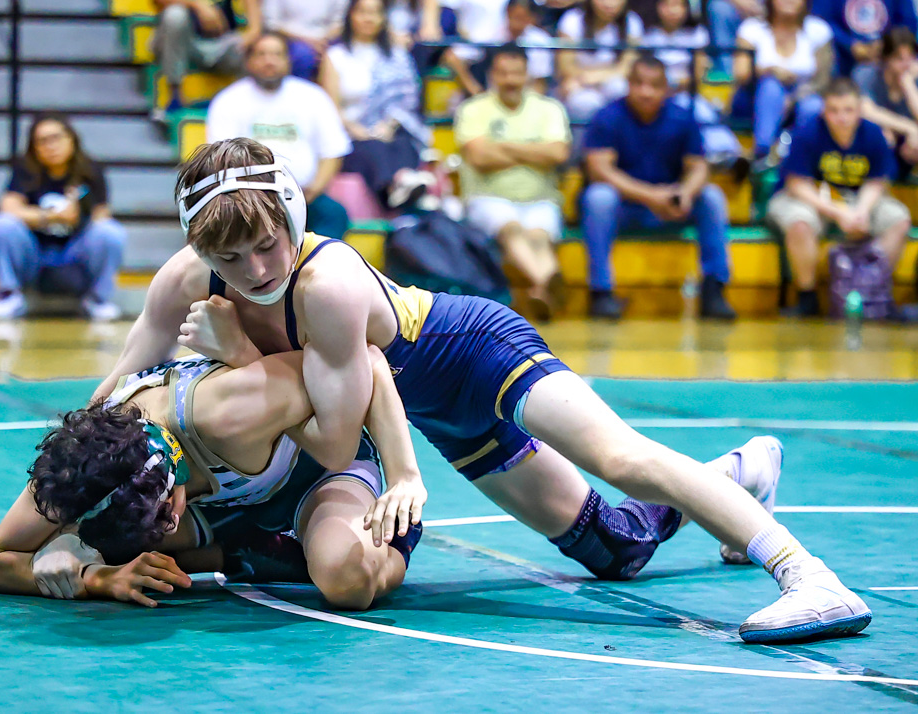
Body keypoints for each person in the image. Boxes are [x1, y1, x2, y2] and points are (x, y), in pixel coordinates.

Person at [90, 137, 872, 643]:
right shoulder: (184, 281)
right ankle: (738, 475)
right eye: (231, 261)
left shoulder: (324, 285)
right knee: (614, 548)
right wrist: (70, 492)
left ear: (293, 215)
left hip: (472, 350)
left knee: (620, 458)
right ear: (199, 250)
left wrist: (238, 355)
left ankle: (809, 577)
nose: (257, 271)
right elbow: (114, 390)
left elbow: (332, 444)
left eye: (268, 245)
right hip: (430, 402)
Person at [0, 343, 427, 610]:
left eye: (164, 515)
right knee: (87, 542)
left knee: (346, 580)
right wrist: (97, 578)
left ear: (174, 479)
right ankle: (240, 552)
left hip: (314, 471)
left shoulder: (229, 410)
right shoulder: (77, 463)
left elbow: (365, 361)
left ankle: (397, 540)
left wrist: (404, 476)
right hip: (225, 503)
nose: (167, 525)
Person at [581, 56, 736, 320]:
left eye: (654, 85)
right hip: (626, 207)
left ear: (666, 88)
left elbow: (699, 167)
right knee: (598, 197)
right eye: (639, 84)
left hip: (669, 206)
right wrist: (650, 196)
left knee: (711, 196)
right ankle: (601, 292)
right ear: (628, 84)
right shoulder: (607, 116)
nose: (646, 92)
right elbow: (599, 170)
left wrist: (685, 193)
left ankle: (714, 290)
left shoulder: (682, 117)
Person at [766, 77, 912, 317]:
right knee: (799, 223)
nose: (841, 117)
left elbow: (877, 181)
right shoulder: (807, 131)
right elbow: (797, 184)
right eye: (833, 110)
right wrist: (838, 212)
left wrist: (861, 211)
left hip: (858, 197)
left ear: (859, 110)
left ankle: (875, 293)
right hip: (809, 197)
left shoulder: (873, 133)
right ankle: (807, 297)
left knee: (899, 219)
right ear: (824, 110)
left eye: (848, 110)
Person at [455, 43, 571, 322]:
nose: (510, 80)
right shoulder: (473, 109)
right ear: (492, 74)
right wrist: (534, 152)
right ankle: (548, 283)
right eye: (503, 73)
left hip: (541, 199)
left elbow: (558, 154)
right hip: (487, 198)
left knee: (539, 238)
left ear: (527, 74)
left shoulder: (549, 108)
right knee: (512, 229)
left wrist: (503, 147)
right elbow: (479, 157)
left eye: (517, 73)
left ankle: (541, 290)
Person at [206, 31, 351, 240]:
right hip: (248, 198)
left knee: (334, 213)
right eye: (262, 54)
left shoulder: (313, 96)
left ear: (288, 61)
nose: (269, 61)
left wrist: (313, 190)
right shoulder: (229, 100)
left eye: (277, 54)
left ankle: (316, 261)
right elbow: (221, 158)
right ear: (248, 61)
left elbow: (333, 151)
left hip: (305, 196)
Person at [0, 113, 125, 322]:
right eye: (42, 141)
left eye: (56, 138)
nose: (51, 146)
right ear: (34, 147)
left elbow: (101, 216)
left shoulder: (90, 170)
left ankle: (98, 299)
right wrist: (52, 217)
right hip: (33, 252)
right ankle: (10, 295)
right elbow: (9, 208)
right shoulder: (25, 169)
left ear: (71, 139)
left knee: (110, 232)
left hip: (75, 252)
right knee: (0, 226)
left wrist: (78, 217)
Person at [320, 0, 433, 210]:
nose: (368, 18)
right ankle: (401, 189)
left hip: (388, 131)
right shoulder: (336, 57)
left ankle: (403, 184)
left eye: (375, 13)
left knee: (404, 143)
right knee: (373, 148)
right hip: (351, 136)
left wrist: (389, 126)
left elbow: (406, 99)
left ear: (384, 19)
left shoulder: (397, 55)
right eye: (362, 12)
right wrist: (357, 130)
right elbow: (330, 108)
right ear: (350, 16)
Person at [728, 0, 833, 162]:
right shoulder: (752, 28)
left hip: (804, 94)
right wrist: (770, 71)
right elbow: (741, 74)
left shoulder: (818, 30)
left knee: (813, 105)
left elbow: (823, 81)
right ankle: (762, 153)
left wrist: (793, 97)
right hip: (755, 98)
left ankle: (804, 157)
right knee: (771, 88)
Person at [643, 0, 744, 168]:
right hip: (654, 96)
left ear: (686, 8)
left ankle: (728, 153)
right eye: (667, 5)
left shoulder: (697, 33)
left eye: (677, 5)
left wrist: (674, 84)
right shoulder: (648, 35)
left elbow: (697, 74)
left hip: (685, 93)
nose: (672, 10)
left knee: (702, 111)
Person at [150, 0, 259, 122]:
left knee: (260, 47)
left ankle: (248, 109)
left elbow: (254, 23)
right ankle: (174, 99)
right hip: (185, 43)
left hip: (223, 41)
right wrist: (198, 5)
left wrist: (253, 32)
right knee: (175, 15)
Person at [442, 0, 555, 96]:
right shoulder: (488, 34)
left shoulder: (540, 40)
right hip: (490, 98)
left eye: (523, 17)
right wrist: (475, 90)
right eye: (516, 16)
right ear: (507, 12)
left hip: (526, 98)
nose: (518, 22)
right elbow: (452, 57)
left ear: (532, 18)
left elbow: (540, 82)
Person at [555, 0, 643, 122]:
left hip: (604, 80)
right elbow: (566, 66)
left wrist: (594, 77)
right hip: (580, 83)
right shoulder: (572, 19)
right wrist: (584, 79)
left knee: (619, 88)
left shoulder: (632, 21)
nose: (610, 4)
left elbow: (628, 67)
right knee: (584, 102)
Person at [856, 27, 918, 178]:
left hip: (908, 142)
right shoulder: (866, 74)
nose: (906, 64)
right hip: (876, 135)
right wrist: (910, 127)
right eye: (899, 59)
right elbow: (866, 110)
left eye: (911, 58)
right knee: (883, 135)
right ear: (886, 58)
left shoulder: (913, 78)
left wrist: (908, 84)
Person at [812, 0, 917, 77]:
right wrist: (849, 43)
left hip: (887, 62)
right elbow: (819, 20)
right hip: (842, 59)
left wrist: (886, 43)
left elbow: (909, 23)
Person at [260, 0, 348, 79]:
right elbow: (272, 24)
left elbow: (340, 21)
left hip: (327, 37)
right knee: (302, 56)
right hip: (291, 37)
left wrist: (325, 41)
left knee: (338, 54)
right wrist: (309, 42)